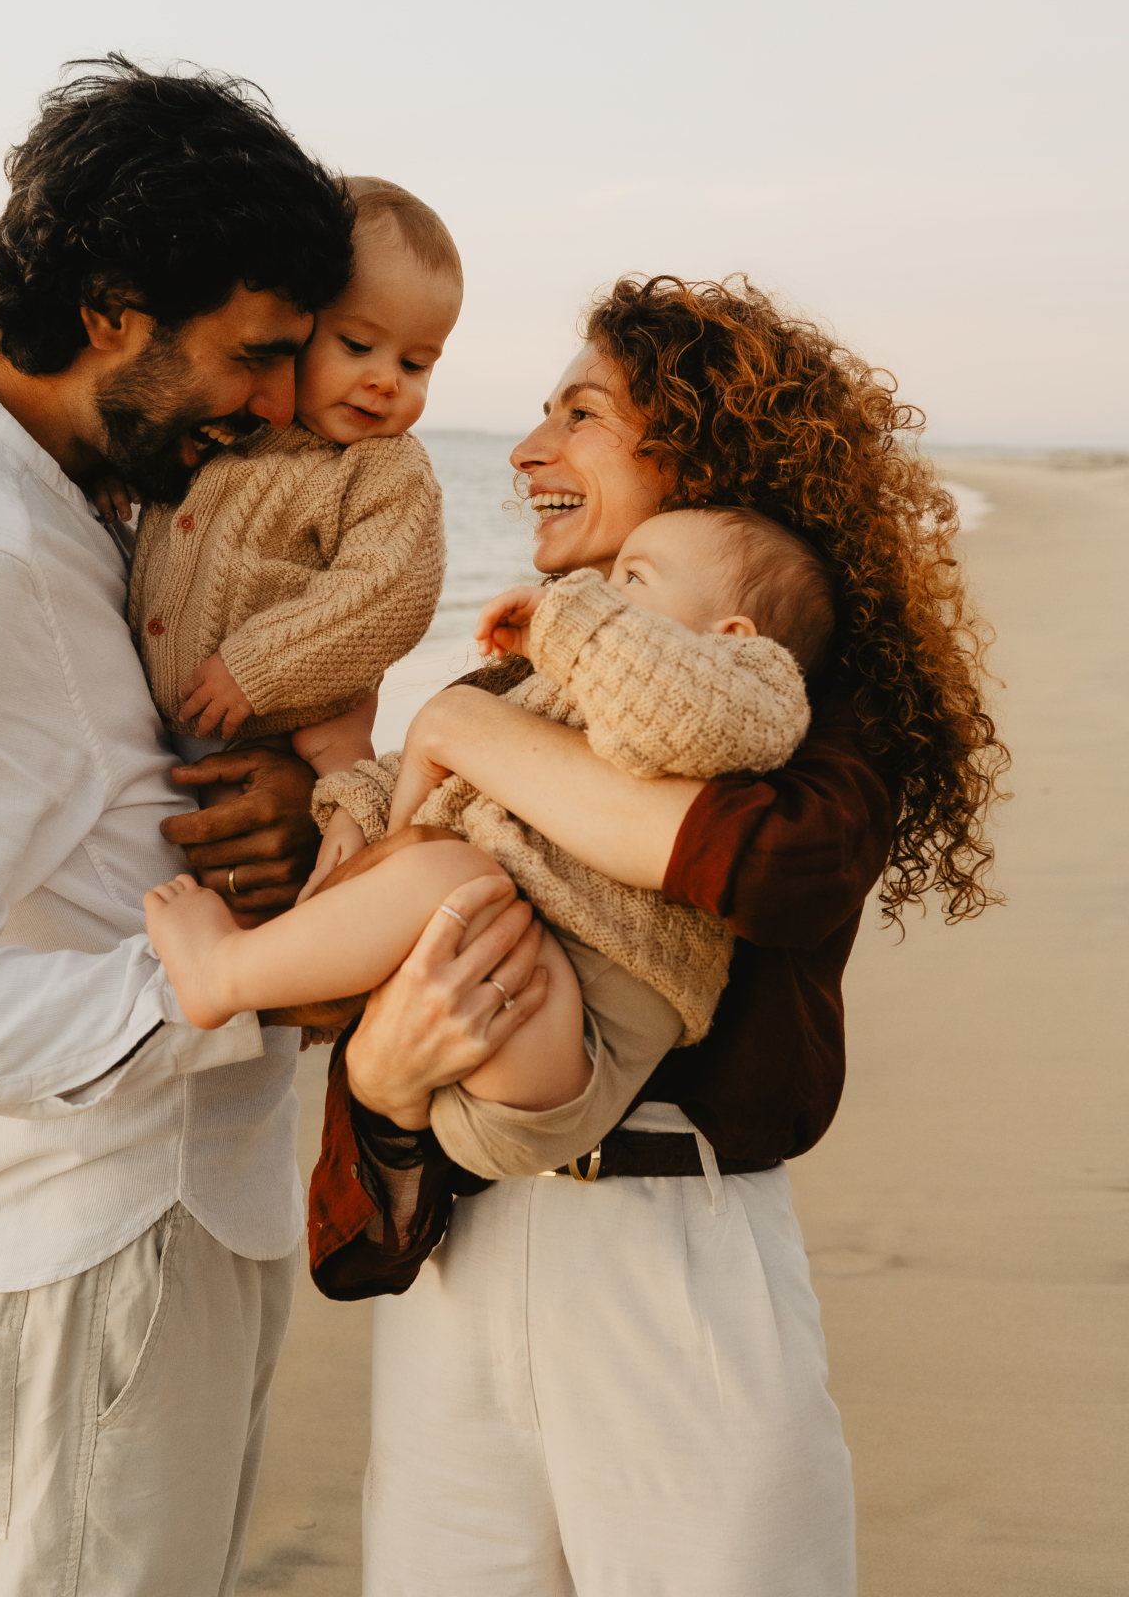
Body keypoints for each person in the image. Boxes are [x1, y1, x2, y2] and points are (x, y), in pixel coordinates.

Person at [305, 275, 1008, 1596]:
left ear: (695, 448)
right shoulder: (491, 690)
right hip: (464, 1256)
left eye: (579, 416)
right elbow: (388, 961)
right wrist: (385, 1094)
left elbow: (783, 868)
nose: (526, 451)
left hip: (673, 1266)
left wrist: (472, 739)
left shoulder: (793, 690)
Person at [0, 55, 364, 1597]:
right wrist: (213, 992)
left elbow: (98, 792)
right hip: (96, 1242)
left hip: (179, 1209)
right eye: (257, 357)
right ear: (112, 311)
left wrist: (291, 798)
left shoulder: (82, 492)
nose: (282, 408)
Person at [144, 507, 826, 1145]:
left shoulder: (752, 689)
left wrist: (572, 625)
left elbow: (684, 716)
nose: (599, 590)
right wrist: (360, 803)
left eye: (633, 578)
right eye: (607, 575)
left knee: (454, 873)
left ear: (733, 637)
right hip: (484, 1014)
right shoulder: (554, 696)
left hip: (577, 1049)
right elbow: (458, 776)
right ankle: (268, 979)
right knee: (448, 871)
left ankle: (224, 975)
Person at [115, 178, 460, 761]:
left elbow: (386, 594)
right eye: (355, 345)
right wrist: (116, 470)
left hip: (274, 727)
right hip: (155, 727)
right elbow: (152, 457)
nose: (386, 381)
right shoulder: (229, 423)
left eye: (415, 363)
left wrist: (257, 667)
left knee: (327, 811)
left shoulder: (385, 466)